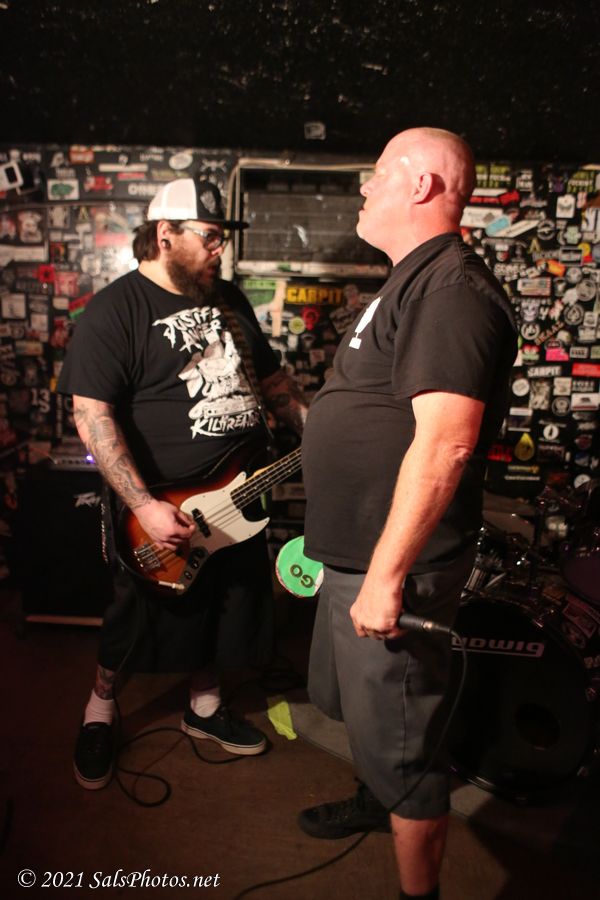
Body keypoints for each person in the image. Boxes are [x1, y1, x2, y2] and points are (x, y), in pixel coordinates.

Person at [298, 128, 518, 900]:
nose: (364, 188)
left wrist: (387, 577)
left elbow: (447, 445)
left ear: (421, 185)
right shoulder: (408, 280)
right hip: (353, 552)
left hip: (393, 566)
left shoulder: (452, 288)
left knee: (405, 748)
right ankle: (376, 799)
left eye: (377, 173)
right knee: (361, 716)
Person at [58, 177, 308, 790]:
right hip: (163, 501)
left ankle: (204, 707)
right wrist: (144, 504)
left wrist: (313, 427)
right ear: (165, 234)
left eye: (222, 238)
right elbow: (92, 416)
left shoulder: (229, 299)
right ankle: (99, 710)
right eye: (211, 236)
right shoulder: (114, 311)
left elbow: (271, 382)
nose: (221, 249)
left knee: (226, 603)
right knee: (135, 616)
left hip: (241, 489)